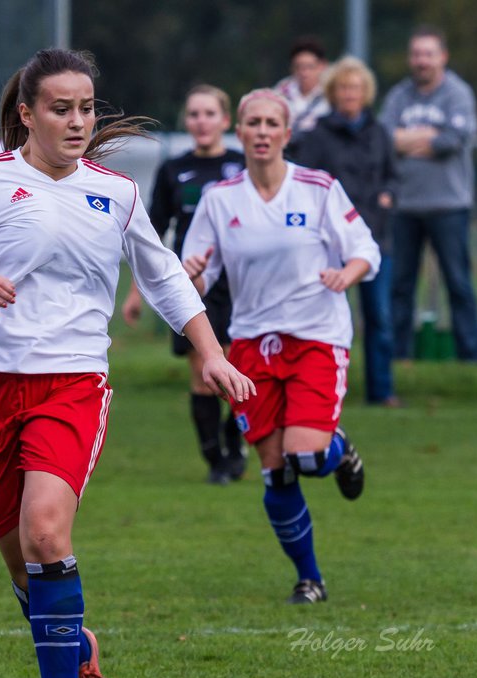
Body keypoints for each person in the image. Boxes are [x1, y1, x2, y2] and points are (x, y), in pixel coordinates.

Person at [0, 49, 254, 678]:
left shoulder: (116, 193)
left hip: (70, 382)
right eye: (61, 108)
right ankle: (80, 653)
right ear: (26, 114)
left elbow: (164, 279)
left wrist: (211, 352)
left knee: (45, 533)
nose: (77, 120)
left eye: (87, 107)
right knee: (21, 565)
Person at [181, 89, 379, 606]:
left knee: (307, 457)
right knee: (275, 467)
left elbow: (366, 249)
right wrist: (193, 275)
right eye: (253, 123)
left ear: (287, 134)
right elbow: (191, 285)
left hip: (316, 338)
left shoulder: (317, 189)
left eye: (272, 123)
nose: (263, 131)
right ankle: (309, 578)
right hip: (251, 346)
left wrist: (346, 273)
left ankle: (340, 452)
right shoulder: (219, 200)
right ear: (239, 133)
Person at [121, 85, 247, 484]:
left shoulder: (243, 166)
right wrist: (136, 292)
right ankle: (215, 459)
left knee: (239, 365)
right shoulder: (173, 169)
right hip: (192, 282)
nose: (201, 121)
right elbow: (152, 235)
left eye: (210, 113)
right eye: (194, 114)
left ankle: (235, 437)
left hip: (239, 283)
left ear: (225, 121)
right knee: (203, 371)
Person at [291, 56, 401, 407]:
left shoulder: (379, 132)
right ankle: (319, 386)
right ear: (333, 93)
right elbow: (304, 180)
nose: (350, 93)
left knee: (379, 317)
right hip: (329, 244)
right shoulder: (318, 135)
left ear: (365, 92)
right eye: (343, 87)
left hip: (373, 239)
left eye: (355, 87)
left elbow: (393, 175)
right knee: (323, 318)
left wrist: (388, 197)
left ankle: (382, 391)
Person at [379, 25, 477, 363]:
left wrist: (409, 140)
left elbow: (452, 140)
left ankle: (471, 359)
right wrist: (427, 137)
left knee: (459, 285)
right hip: (404, 205)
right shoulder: (398, 96)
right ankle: (397, 358)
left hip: (449, 205)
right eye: (417, 54)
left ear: (443, 57)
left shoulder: (457, 93)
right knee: (400, 286)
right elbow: (384, 140)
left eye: (429, 53)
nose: (422, 61)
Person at [274, 36, 331, 135]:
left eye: (310, 67)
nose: (304, 73)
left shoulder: (331, 94)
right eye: (299, 67)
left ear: (323, 66)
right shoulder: (281, 91)